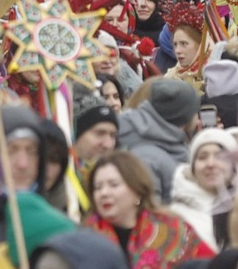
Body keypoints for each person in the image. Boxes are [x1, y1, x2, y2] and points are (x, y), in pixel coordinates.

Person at [84, 151, 214, 267]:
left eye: (114, 185)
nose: (104, 193)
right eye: (98, 187)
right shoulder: (85, 236)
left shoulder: (172, 229)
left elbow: (210, 262)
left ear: (137, 189)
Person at [117, 78, 200, 202]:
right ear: (184, 114)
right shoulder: (148, 158)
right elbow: (148, 212)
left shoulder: (165, 141)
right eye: (195, 111)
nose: (198, 117)